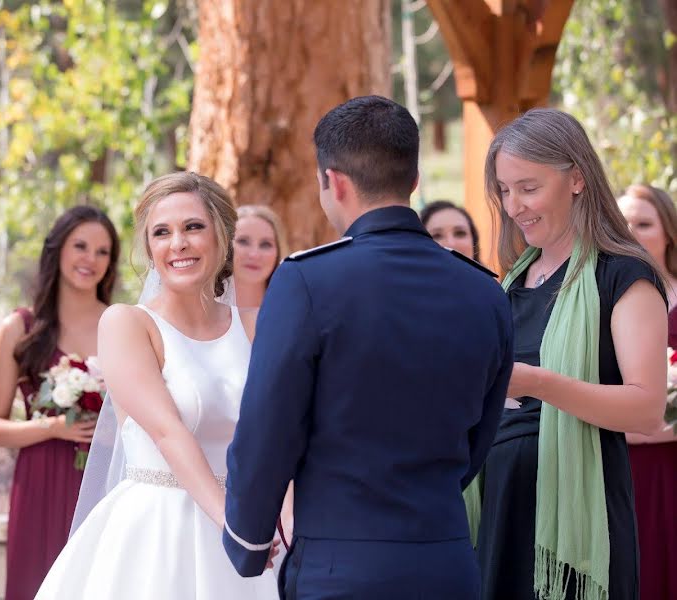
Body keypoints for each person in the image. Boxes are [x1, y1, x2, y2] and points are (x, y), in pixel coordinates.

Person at [222, 95, 513, 599]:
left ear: (333, 182)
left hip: (340, 568)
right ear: (414, 180)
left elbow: (268, 427)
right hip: (448, 565)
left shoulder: (307, 280)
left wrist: (246, 542)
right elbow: (479, 437)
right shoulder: (484, 291)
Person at [34, 172, 279, 599]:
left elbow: (278, 438)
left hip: (249, 527)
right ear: (148, 247)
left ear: (221, 235)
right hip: (159, 529)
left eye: (193, 227)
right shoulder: (127, 323)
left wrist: (284, 524)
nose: (177, 243)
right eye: (161, 232)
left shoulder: (258, 326)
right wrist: (232, 524)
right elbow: (168, 431)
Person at [473, 110, 667, 600]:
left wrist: (536, 382)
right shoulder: (512, 282)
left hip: (575, 535)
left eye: (528, 187)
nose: (513, 205)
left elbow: (647, 408)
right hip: (501, 512)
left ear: (577, 177)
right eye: (504, 189)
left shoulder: (623, 276)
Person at [0, 205, 119, 600]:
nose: (89, 259)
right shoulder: (20, 328)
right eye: (80, 246)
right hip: (39, 481)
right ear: (57, 250)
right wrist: (53, 428)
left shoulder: (121, 324)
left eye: (102, 251)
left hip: (105, 478)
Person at [618, 184, 677, 600]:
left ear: (668, 233)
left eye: (643, 223)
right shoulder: (601, 298)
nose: (631, 231)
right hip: (616, 465)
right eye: (622, 223)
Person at [233, 204, 288, 308]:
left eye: (265, 244)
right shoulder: (198, 312)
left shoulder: (297, 315)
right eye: (243, 241)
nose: (254, 255)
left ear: (278, 252)